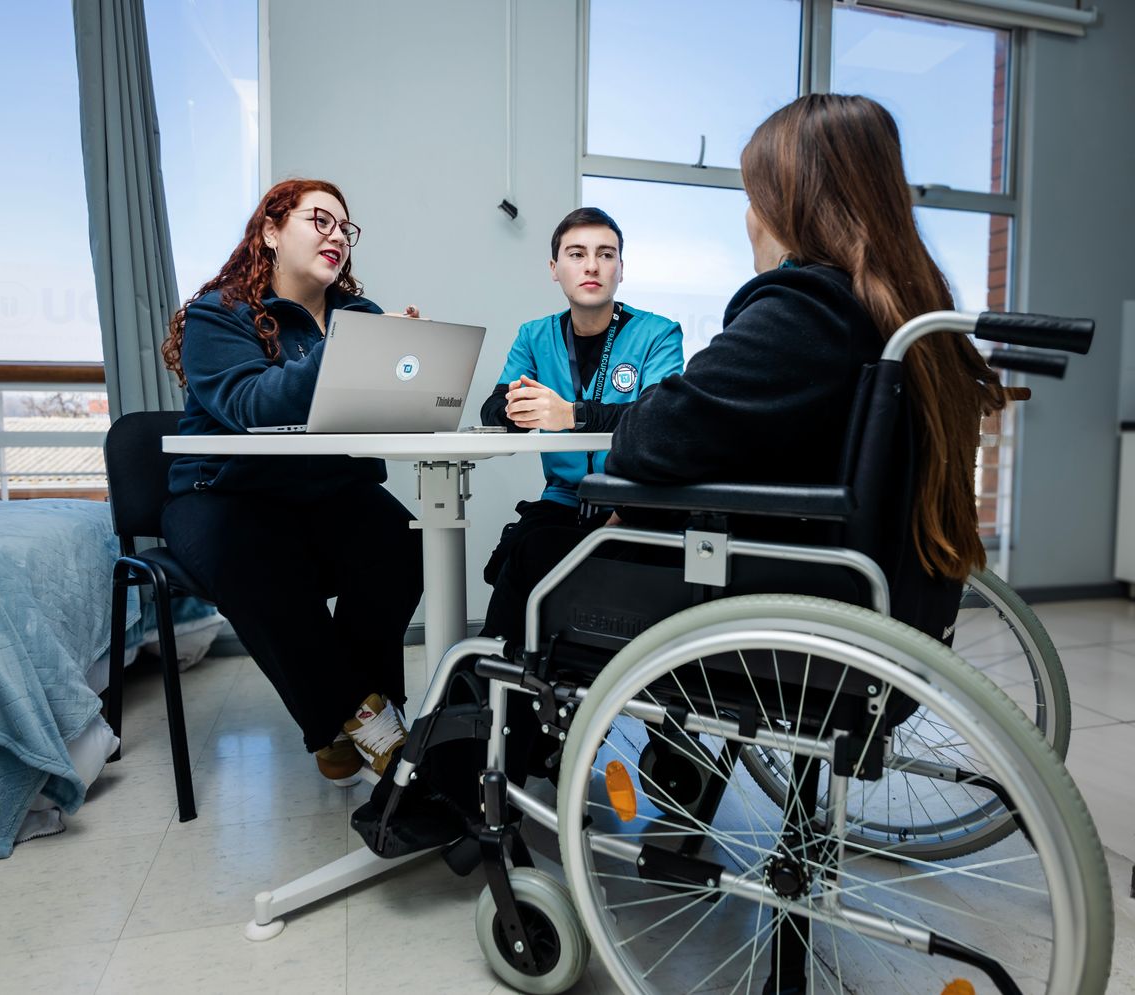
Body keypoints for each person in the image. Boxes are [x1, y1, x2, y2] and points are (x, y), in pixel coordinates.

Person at [482, 94, 1005, 645]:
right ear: (555, 268)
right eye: (576, 254)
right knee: (537, 538)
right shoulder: (906, 312)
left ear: (788, 205)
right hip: (870, 585)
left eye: (754, 197)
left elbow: (650, 435)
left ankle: (480, 700)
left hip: (770, 584)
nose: (750, 217)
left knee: (533, 555)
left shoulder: (803, 309)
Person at [159, 178, 423, 785]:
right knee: (257, 558)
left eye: (345, 228)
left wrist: (409, 370)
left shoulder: (359, 316)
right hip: (222, 492)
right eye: (319, 220)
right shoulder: (218, 314)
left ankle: (357, 713)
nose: (337, 236)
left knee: (400, 540)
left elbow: (377, 419)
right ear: (272, 232)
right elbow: (252, 405)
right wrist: (348, 350)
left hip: (322, 489)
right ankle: (363, 722)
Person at [478, 207, 684, 611]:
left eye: (606, 254)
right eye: (576, 254)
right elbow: (494, 410)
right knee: (511, 570)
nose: (592, 265)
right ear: (554, 269)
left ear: (621, 269)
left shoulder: (658, 333)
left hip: (631, 501)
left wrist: (571, 414)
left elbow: (659, 418)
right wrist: (516, 411)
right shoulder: (534, 335)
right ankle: (499, 652)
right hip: (563, 498)